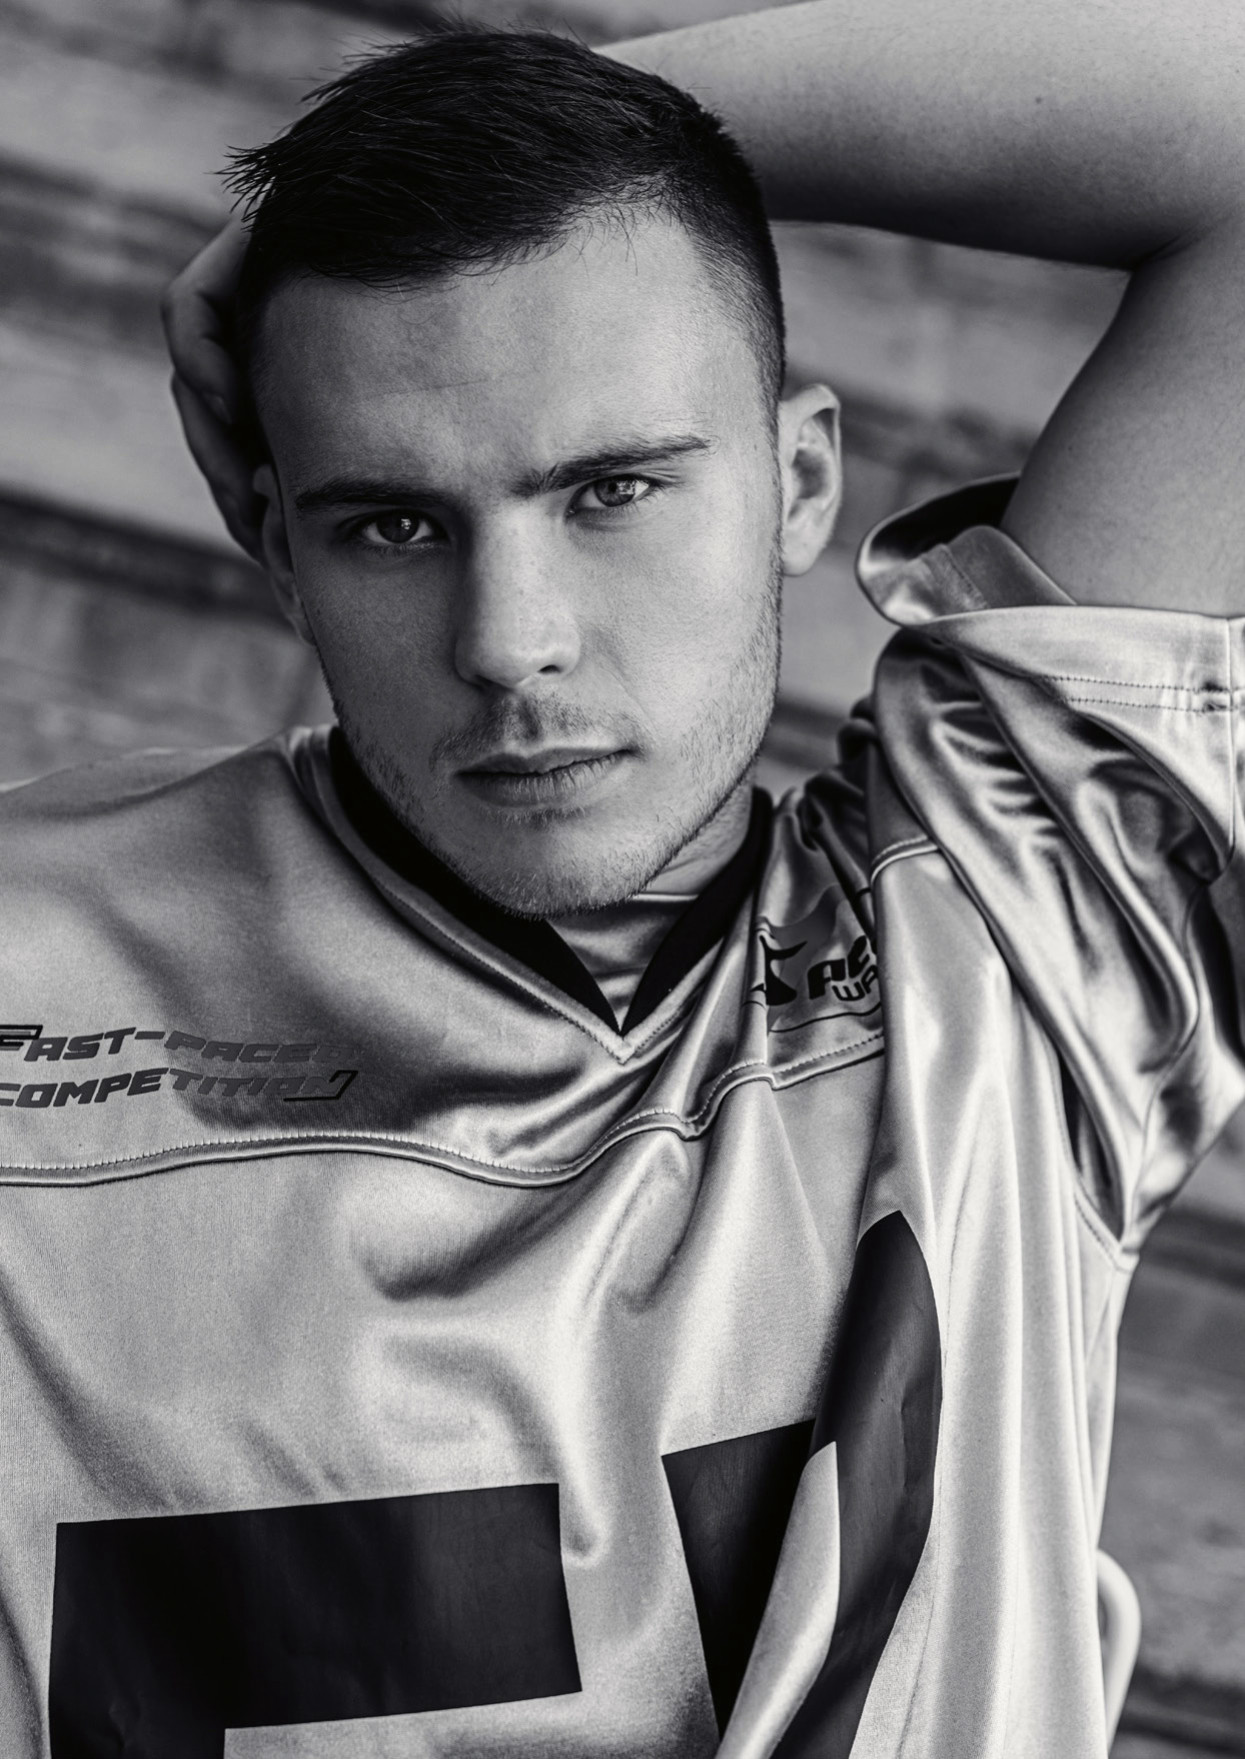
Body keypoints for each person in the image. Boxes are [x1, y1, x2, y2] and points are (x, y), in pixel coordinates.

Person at [3, 3, 1243, 1753]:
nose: (511, 643)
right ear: (273, 543)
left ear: (798, 481)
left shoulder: (1002, 936)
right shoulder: (31, 954)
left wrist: (617, 128)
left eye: (611, 492)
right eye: (393, 524)